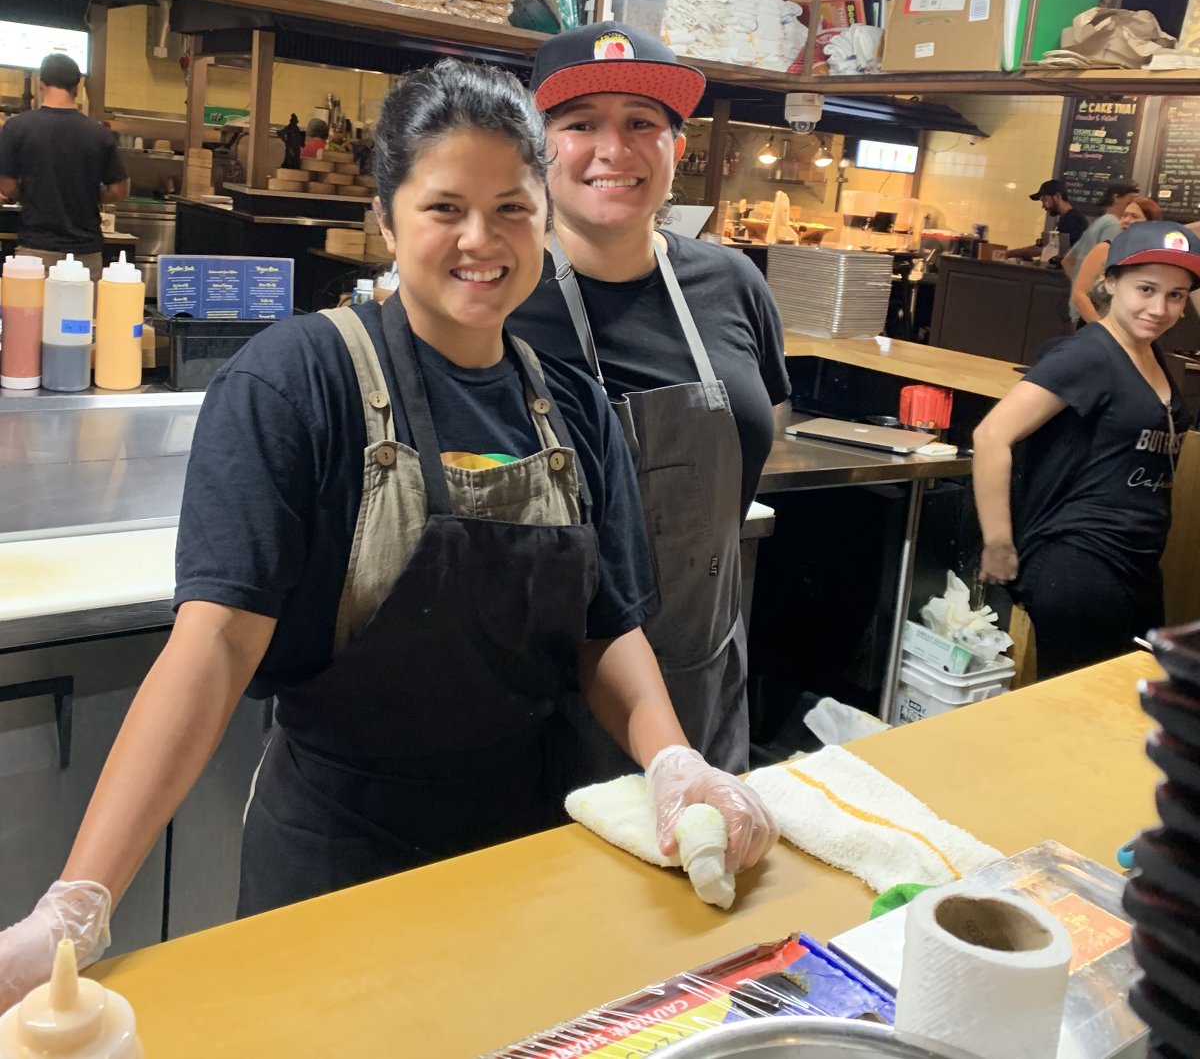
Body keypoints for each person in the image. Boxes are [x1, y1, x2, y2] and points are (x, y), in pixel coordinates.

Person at [0, 60, 777, 1013]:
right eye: (445, 207)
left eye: (511, 209)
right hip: (336, 854)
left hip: (523, 847)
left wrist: (669, 759)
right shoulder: (297, 381)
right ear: (386, 217)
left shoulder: (567, 401)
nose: (480, 241)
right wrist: (77, 905)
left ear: (543, 217)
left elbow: (605, 626)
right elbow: (211, 649)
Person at [507, 23, 791, 782]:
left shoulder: (734, 285)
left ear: (678, 147)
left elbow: (758, 444)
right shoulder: (492, 296)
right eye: (580, 124)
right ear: (539, 147)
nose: (614, 149)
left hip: (699, 681)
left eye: (642, 122)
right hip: (537, 705)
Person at [974, 221, 1200, 678]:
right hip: (1078, 560)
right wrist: (998, 544)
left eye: (1176, 295)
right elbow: (992, 435)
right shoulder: (1089, 354)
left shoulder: (1149, 353)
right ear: (1111, 283)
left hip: (1132, 562)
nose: (1159, 308)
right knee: (1078, 714)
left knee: (1118, 703)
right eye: (1146, 289)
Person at [0, 53, 128, 280]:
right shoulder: (100, 133)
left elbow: (7, 185)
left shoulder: (17, 127)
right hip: (86, 254)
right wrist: (91, 195)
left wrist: (30, 193)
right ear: (76, 88)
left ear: (41, 84)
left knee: (29, 315)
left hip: (35, 253)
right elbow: (118, 190)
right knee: (83, 315)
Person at [1072, 196, 1162, 323]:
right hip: (1096, 328)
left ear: (1150, 224)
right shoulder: (1105, 250)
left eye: (1134, 217)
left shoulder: (1154, 259)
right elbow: (1079, 294)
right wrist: (1103, 331)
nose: (1126, 220)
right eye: (1124, 215)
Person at [1062, 182, 1139, 280]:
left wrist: (1078, 286)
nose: (1134, 205)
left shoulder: (1099, 222)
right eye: (1130, 201)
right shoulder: (1113, 224)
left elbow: (1067, 261)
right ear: (1116, 198)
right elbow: (1106, 265)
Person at [1010, 179, 1088, 264]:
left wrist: (1008, 254)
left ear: (1057, 196)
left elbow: (1045, 248)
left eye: (1045, 200)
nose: (1043, 206)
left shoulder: (1072, 220)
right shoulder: (1068, 218)